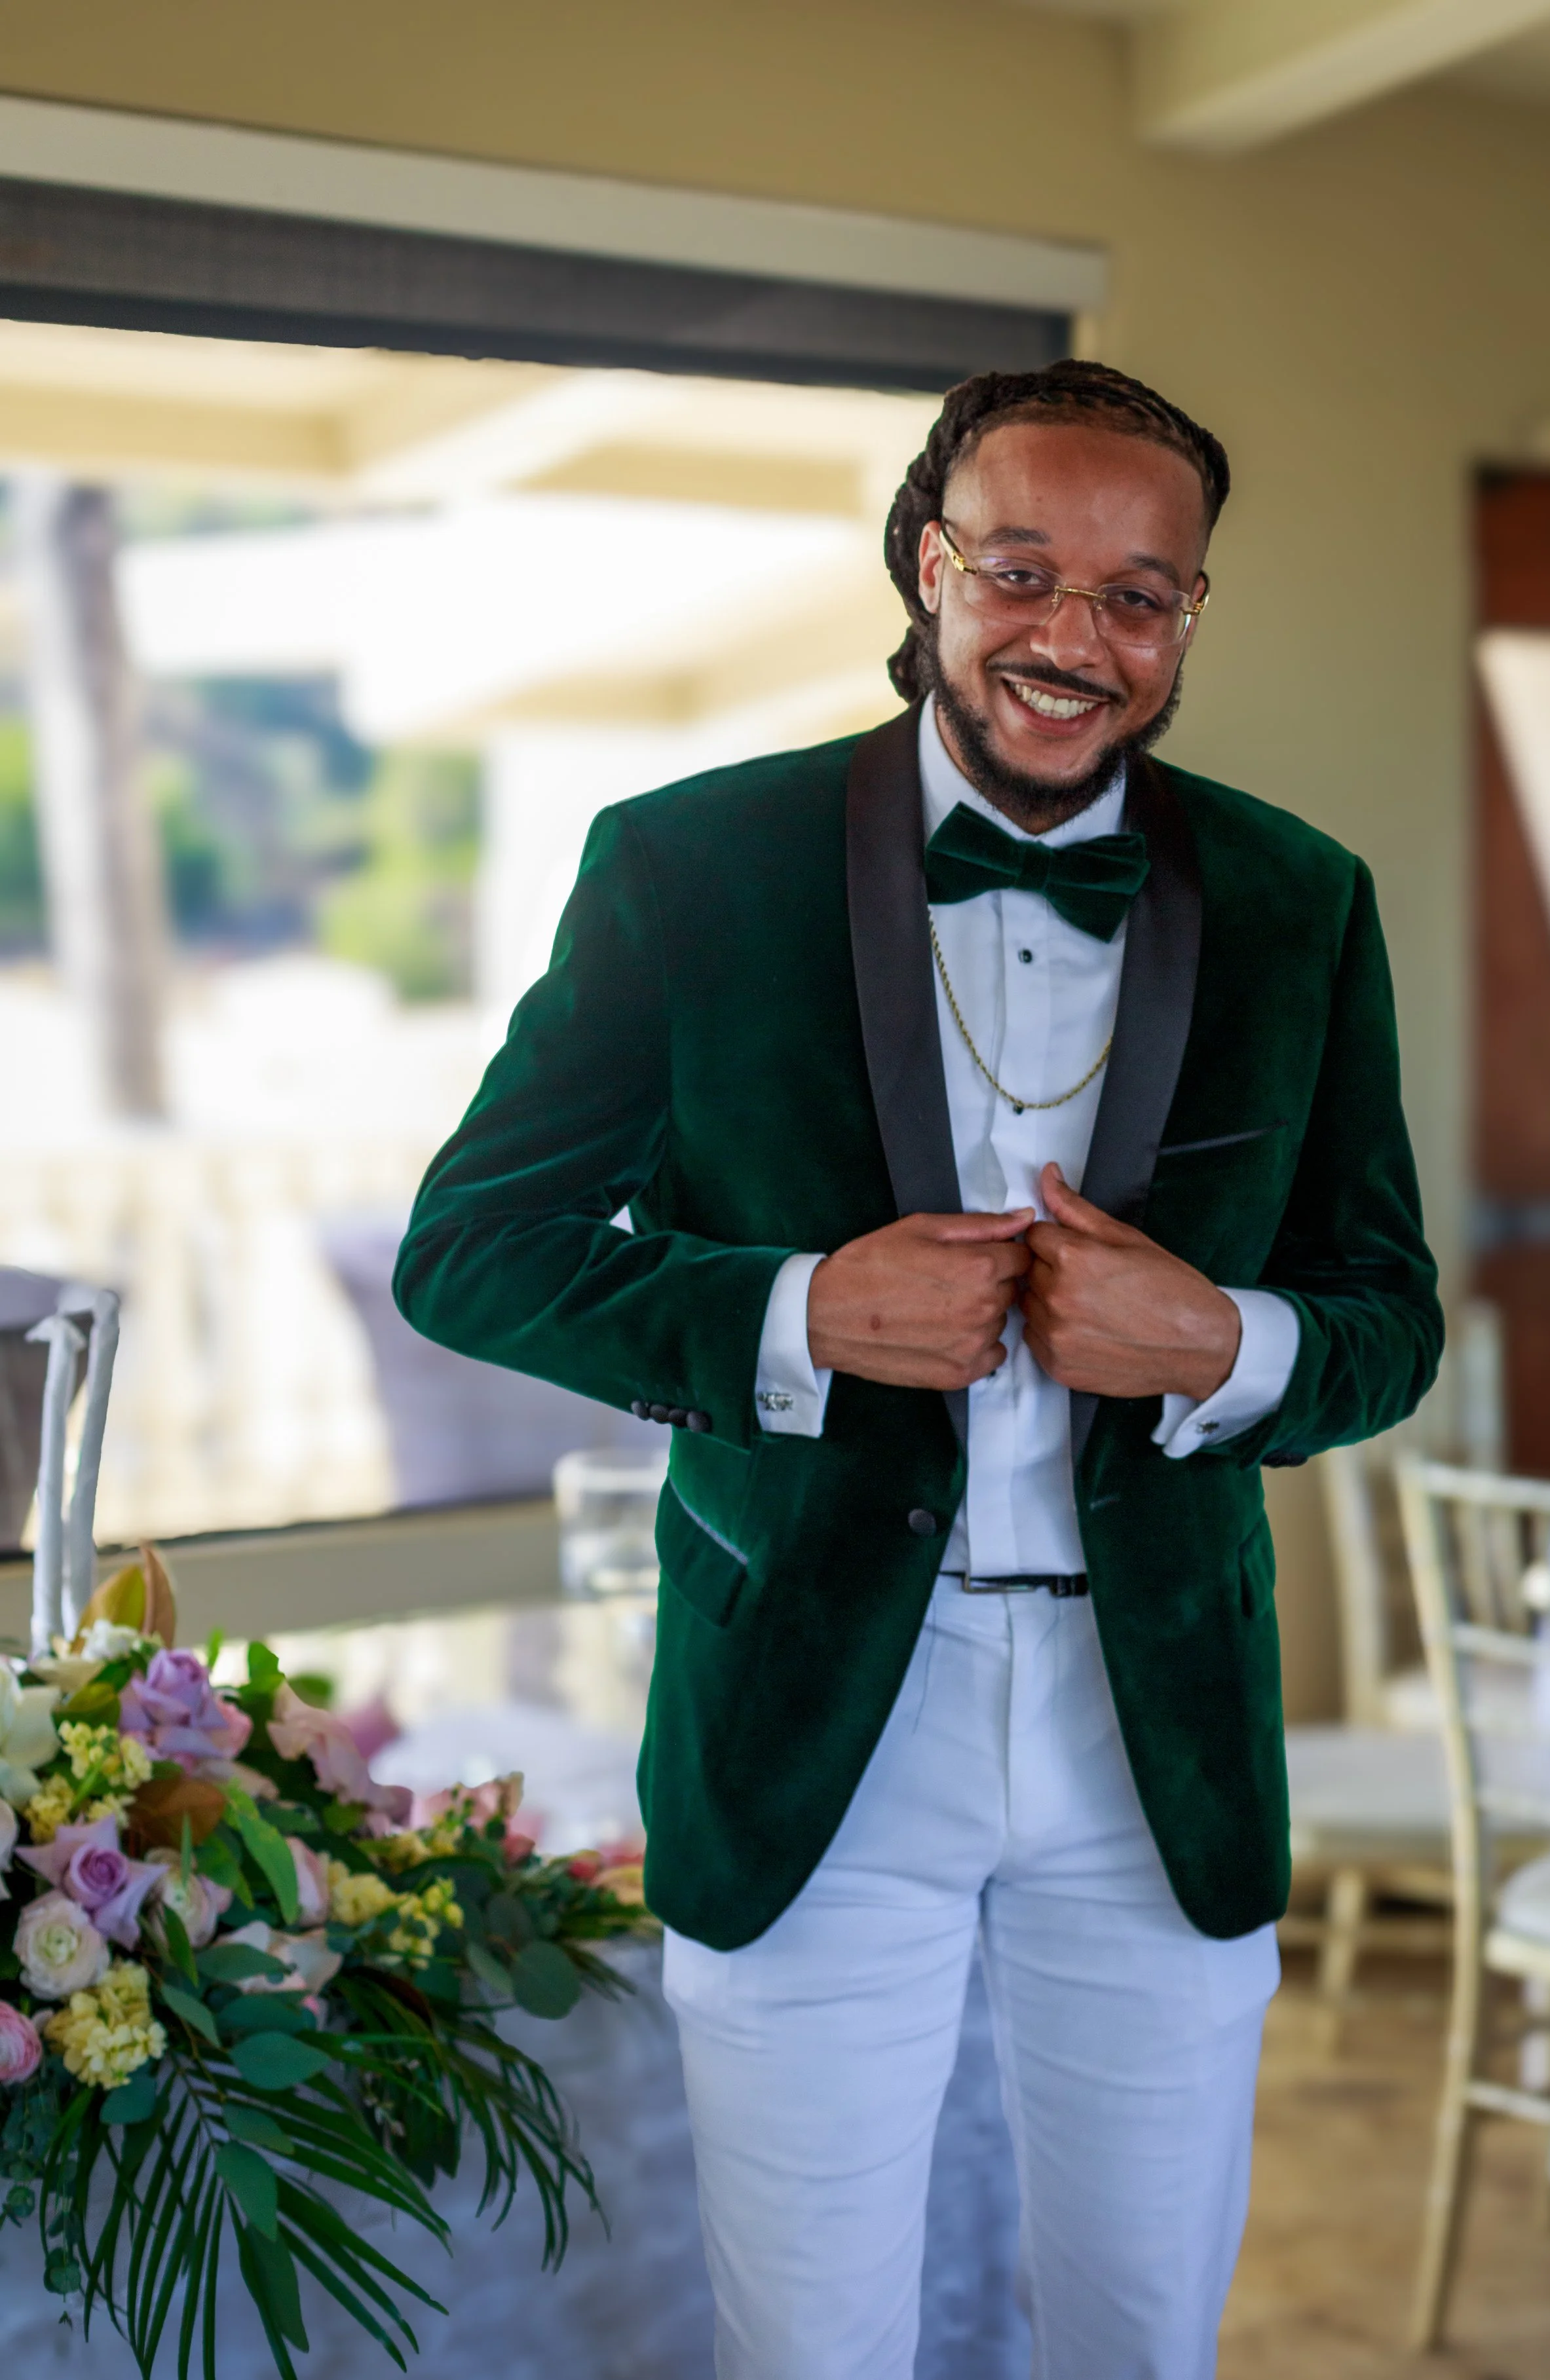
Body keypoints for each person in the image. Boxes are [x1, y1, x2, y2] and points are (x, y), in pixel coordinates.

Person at [394, 358, 1442, 2379]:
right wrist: (793, 1313)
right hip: (814, 1709)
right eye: (1024, 570)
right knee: (816, 2343)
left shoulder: (1305, 899)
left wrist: (1225, 1342)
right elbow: (473, 1250)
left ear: (1190, 620)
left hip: (1161, 1728)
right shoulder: (688, 865)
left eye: (1143, 595)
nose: (1077, 636)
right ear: (924, 566)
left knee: (1142, 2333)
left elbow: (1383, 1313)